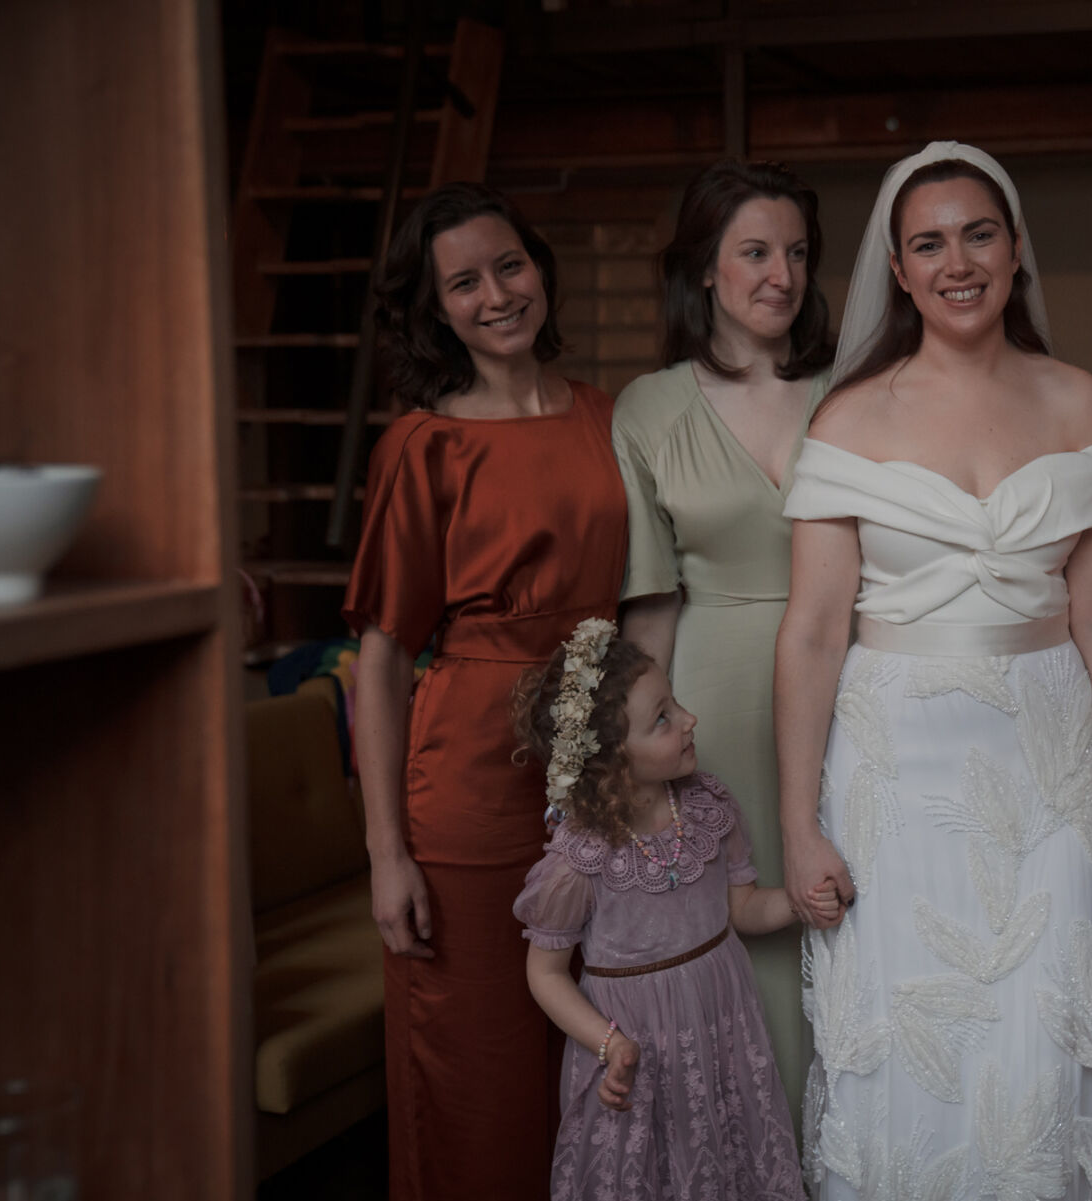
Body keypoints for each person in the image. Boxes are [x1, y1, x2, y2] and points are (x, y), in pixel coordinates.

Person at [773, 141, 1092, 1199]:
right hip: (896, 768)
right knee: (911, 1045)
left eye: (979, 234)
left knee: (1044, 1042)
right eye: (929, 242)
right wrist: (801, 822)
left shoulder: (1079, 399)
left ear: (1016, 247)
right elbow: (812, 630)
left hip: (1049, 759)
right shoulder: (850, 416)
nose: (958, 261)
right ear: (897, 270)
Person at [343, 182, 627, 1201]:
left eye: (509, 266)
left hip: (598, 772)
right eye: (463, 281)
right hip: (467, 782)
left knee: (601, 1062)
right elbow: (381, 659)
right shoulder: (423, 446)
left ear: (540, 270)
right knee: (476, 1069)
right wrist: (386, 853)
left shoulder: (605, 414)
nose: (496, 294)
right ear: (436, 307)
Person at [613, 160, 835, 1119]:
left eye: (795, 253)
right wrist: (642, 758)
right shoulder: (649, 409)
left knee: (845, 903)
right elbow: (650, 603)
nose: (779, 274)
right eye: (754, 252)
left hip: (852, 679)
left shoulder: (854, 393)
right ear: (705, 266)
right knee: (739, 916)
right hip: (715, 696)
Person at [510, 618, 841, 1199]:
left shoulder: (708, 809)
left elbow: (742, 910)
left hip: (720, 1034)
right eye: (662, 718)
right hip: (635, 1051)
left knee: (727, 1160)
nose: (688, 719)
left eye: (675, 702)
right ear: (611, 764)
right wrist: (609, 1044)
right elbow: (544, 973)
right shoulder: (578, 861)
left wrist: (799, 902)